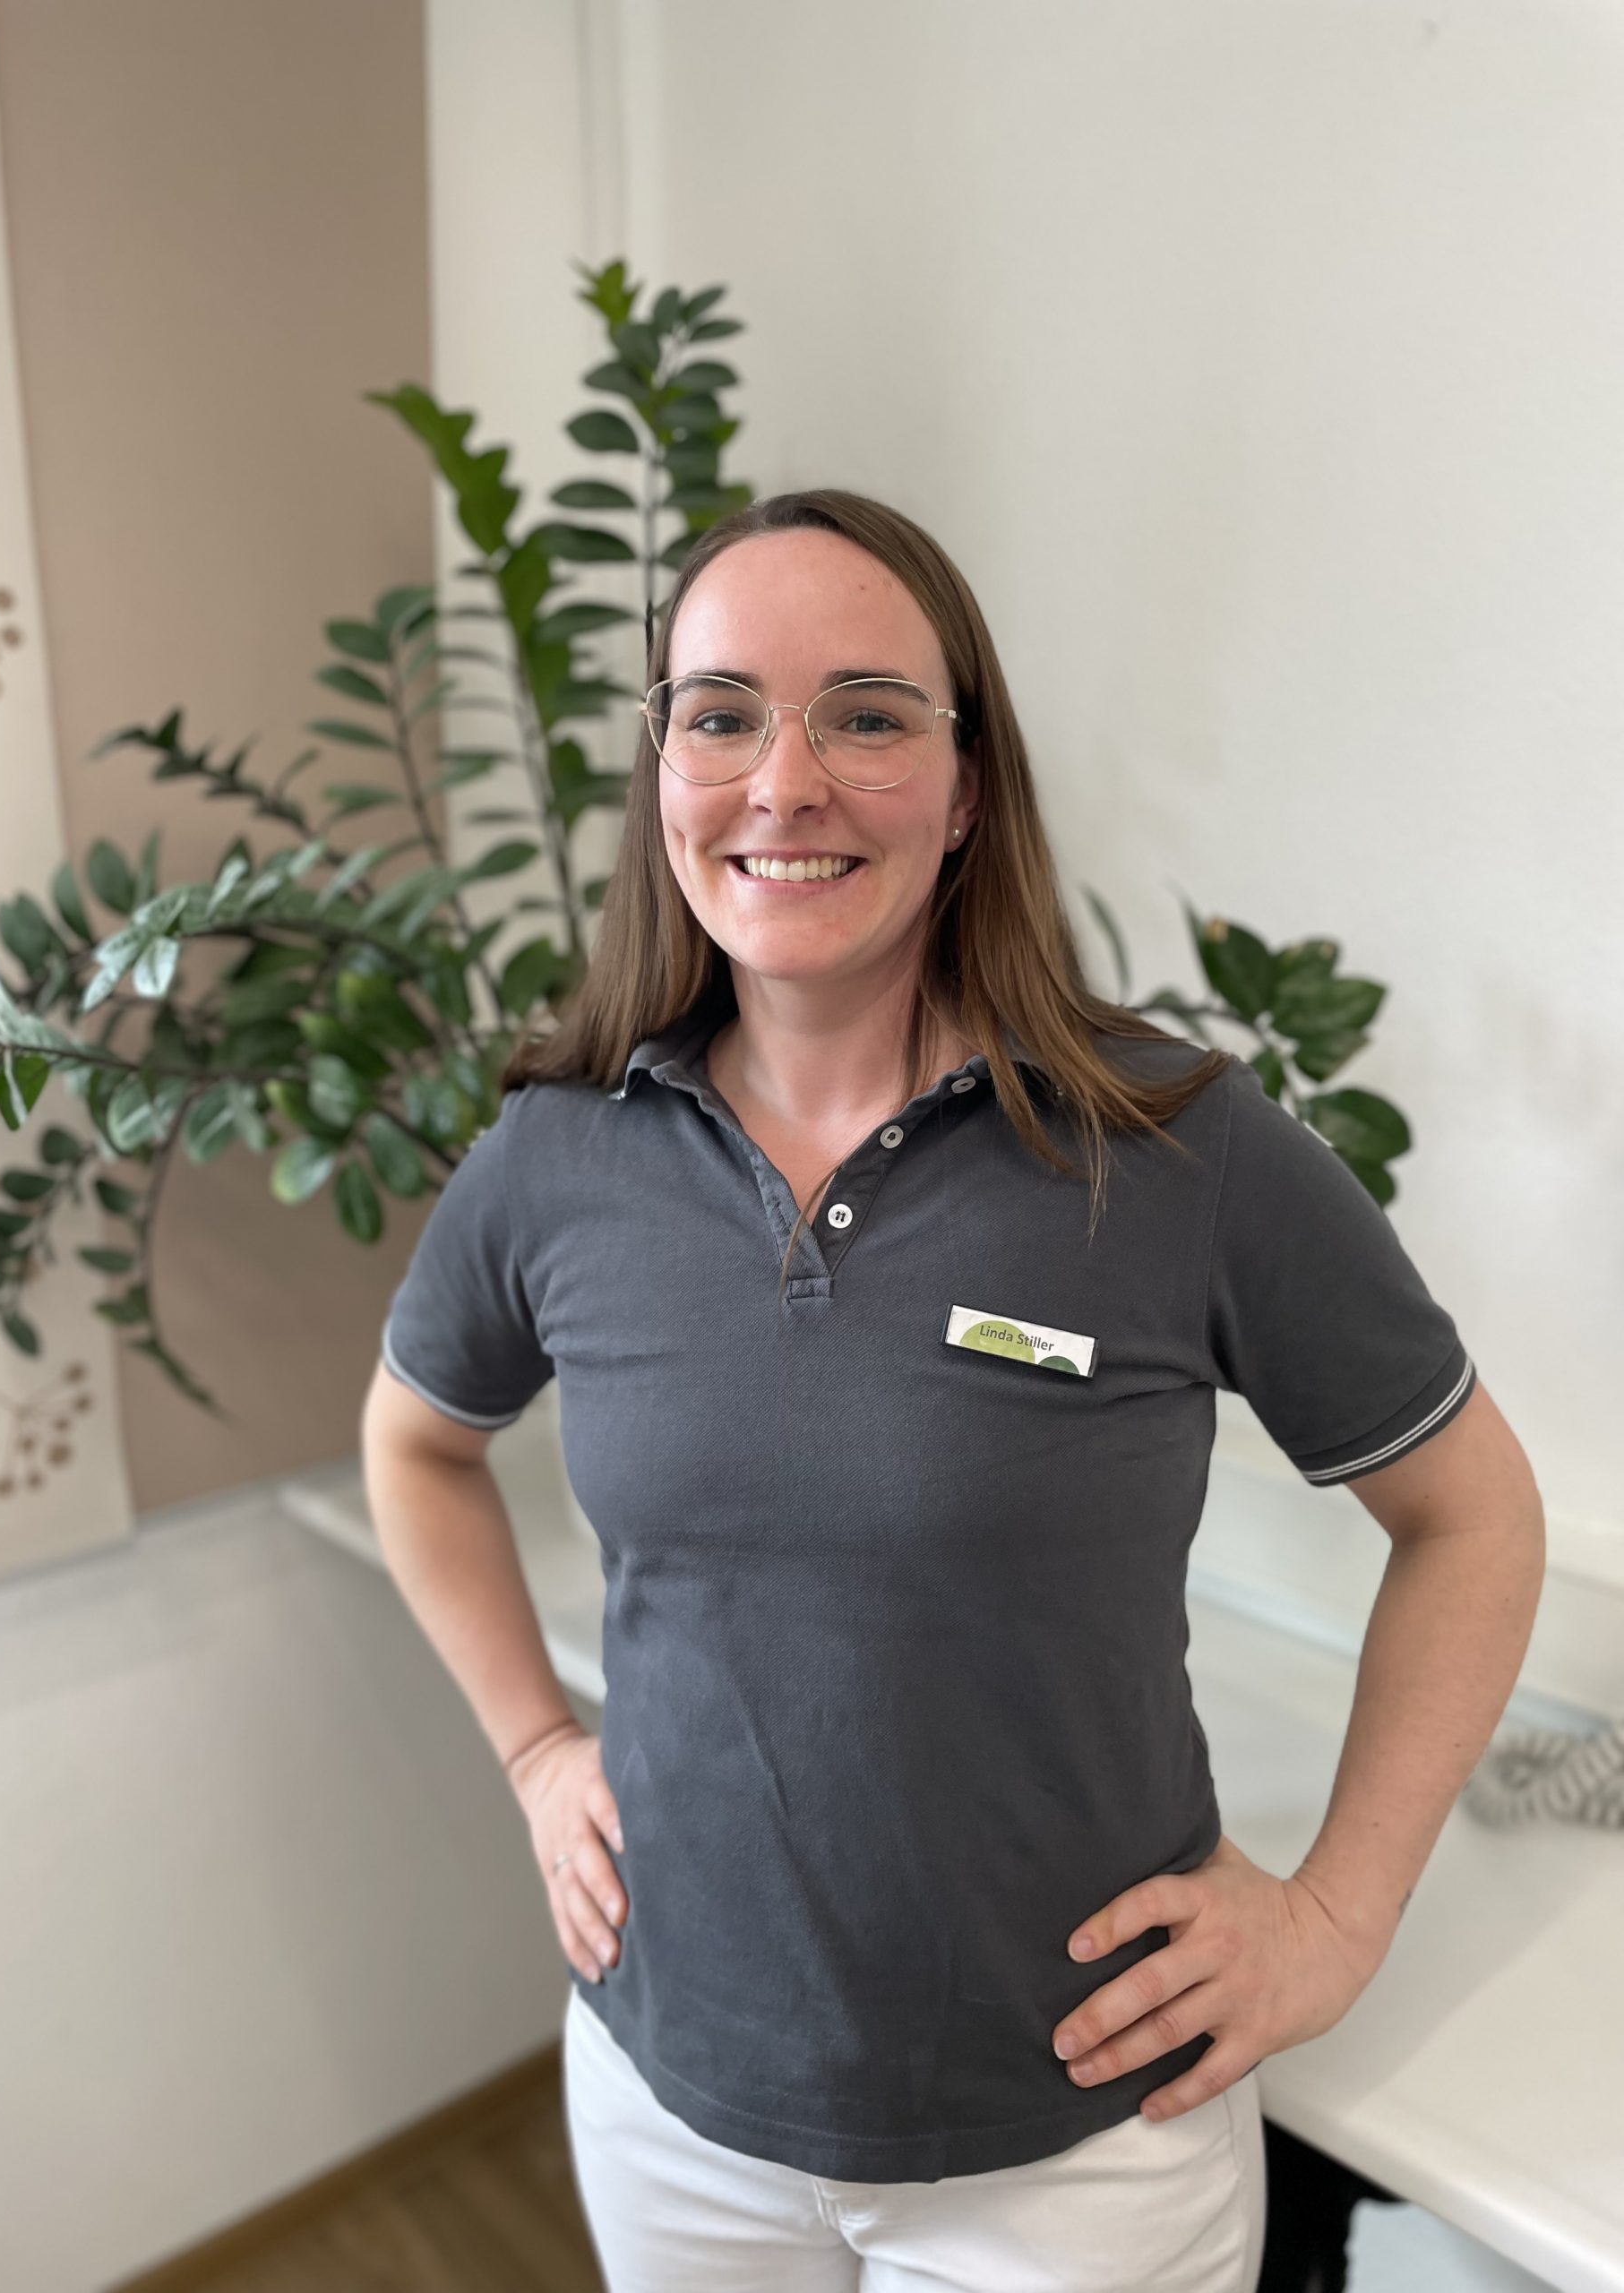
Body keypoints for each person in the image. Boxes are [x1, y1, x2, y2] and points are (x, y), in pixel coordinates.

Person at [362, 489, 1542, 2292]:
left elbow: (1472, 1515)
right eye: (721, 713)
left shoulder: (1176, 1147)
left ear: (969, 784)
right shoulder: (560, 1151)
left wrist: (1338, 1911)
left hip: (1080, 2145)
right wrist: (537, 1749)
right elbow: (416, 1446)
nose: (785, 782)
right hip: (669, 2097)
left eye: (866, 714)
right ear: (664, 767)